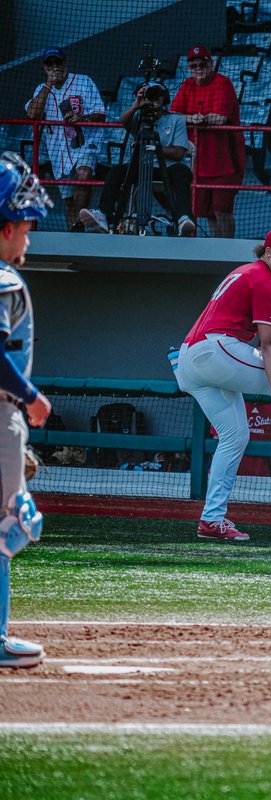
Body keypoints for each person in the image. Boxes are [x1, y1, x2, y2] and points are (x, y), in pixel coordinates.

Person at [175, 229, 271, 542]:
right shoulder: (263, 281)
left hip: (192, 359)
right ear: (267, 252)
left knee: (234, 437)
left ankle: (212, 518)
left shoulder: (247, 273)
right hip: (216, 350)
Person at [0, 153, 54, 668]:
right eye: (24, 227)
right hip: (1, 411)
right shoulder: (5, 280)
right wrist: (31, 396)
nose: (28, 239)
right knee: (15, 523)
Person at [79, 81, 195, 236]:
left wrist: (156, 149)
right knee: (117, 170)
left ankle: (183, 218)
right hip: (142, 166)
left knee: (183, 171)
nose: (153, 98)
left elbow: (179, 153)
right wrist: (136, 105)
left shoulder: (176, 119)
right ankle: (103, 214)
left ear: (164, 98)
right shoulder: (140, 118)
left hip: (167, 169)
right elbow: (123, 122)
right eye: (149, 94)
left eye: (156, 94)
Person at [24, 47, 104, 231]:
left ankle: (79, 226)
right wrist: (47, 85)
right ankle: (76, 233)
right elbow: (32, 115)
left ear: (65, 63)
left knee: (83, 178)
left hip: (84, 144)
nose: (55, 67)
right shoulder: (41, 89)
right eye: (49, 63)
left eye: (58, 62)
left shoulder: (83, 81)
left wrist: (82, 119)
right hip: (58, 150)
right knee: (69, 202)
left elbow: (100, 114)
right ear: (45, 67)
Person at [172, 45, 245, 239]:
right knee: (207, 212)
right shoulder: (187, 85)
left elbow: (220, 118)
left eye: (202, 63)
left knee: (222, 209)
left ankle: (227, 249)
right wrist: (194, 118)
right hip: (198, 160)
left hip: (225, 160)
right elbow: (174, 114)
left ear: (211, 64)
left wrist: (198, 119)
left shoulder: (223, 83)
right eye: (193, 64)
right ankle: (216, 246)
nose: (198, 68)